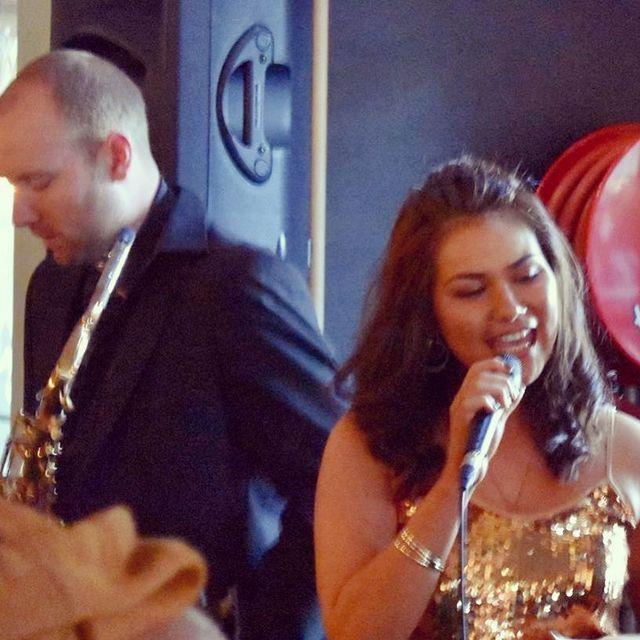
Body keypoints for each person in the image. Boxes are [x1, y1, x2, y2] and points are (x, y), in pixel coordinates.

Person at [0, 49, 345, 639]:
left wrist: (264, 627)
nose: (19, 213)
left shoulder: (237, 285)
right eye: (14, 185)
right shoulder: (50, 288)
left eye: (39, 182)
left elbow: (338, 482)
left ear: (116, 156)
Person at [314, 156, 640, 640]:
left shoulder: (622, 444)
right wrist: (453, 485)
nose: (510, 308)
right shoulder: (369, 447)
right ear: (426, 316)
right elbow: (354, 633)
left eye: (527, 277)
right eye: (471, 291)